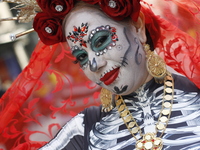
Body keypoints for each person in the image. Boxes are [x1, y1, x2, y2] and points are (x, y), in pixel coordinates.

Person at [0, 0, 200, 150]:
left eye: (101, 41)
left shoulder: (196, 94)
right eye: (81, 56)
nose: (94, 64)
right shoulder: (83, 128)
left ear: (138, 27)